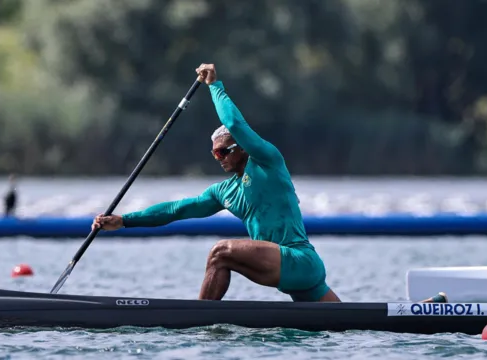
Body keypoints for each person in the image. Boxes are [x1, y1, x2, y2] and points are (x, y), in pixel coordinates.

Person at [92, 63, 448, 304]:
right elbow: (176, 210)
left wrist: (215, 85)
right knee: (350, 323)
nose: (217, 159)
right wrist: (125, 220)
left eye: (222, 152)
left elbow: (235, 121)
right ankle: (414, 311)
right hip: (295, 272)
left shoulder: (267, 160)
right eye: (213, 154)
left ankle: (198, 321)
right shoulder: (224, 192)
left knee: (220, 253)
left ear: (238, 148)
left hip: (300, 260)